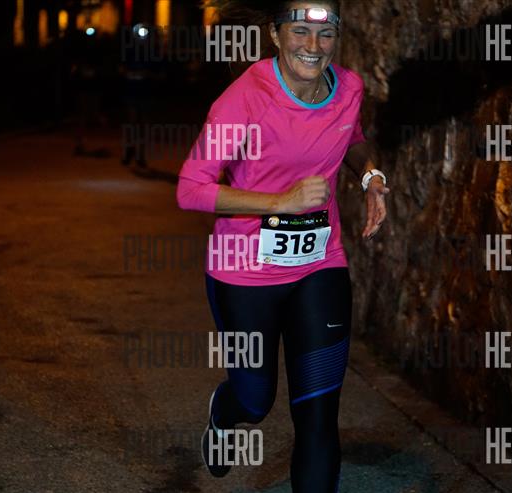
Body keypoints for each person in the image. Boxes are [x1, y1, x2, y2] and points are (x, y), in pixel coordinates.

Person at [175, 1, 390, 491]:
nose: (313, 46)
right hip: (243, 273)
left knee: (318, 413)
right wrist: (281, 202)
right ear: (275, 35)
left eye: (326, 35)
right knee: (256, 401)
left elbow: (351, 137)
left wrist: (371, 176)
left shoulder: (349, 88)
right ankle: (225, 413)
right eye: (299, 32)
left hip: (319, 265)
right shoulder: (244, 99)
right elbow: (191, 189)